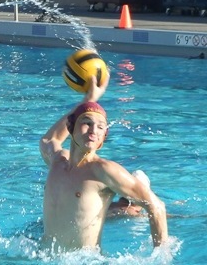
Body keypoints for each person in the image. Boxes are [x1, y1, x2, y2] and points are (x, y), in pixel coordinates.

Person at [39, 75, 168, 252]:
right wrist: (89, 99)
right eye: (86, 123)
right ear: (71, 128)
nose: (94, 130)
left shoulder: (103, 170)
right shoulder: (57, 161)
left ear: (102, 139)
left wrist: (161, 258)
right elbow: (49, 139)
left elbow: (157, 206)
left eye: (101, 127)